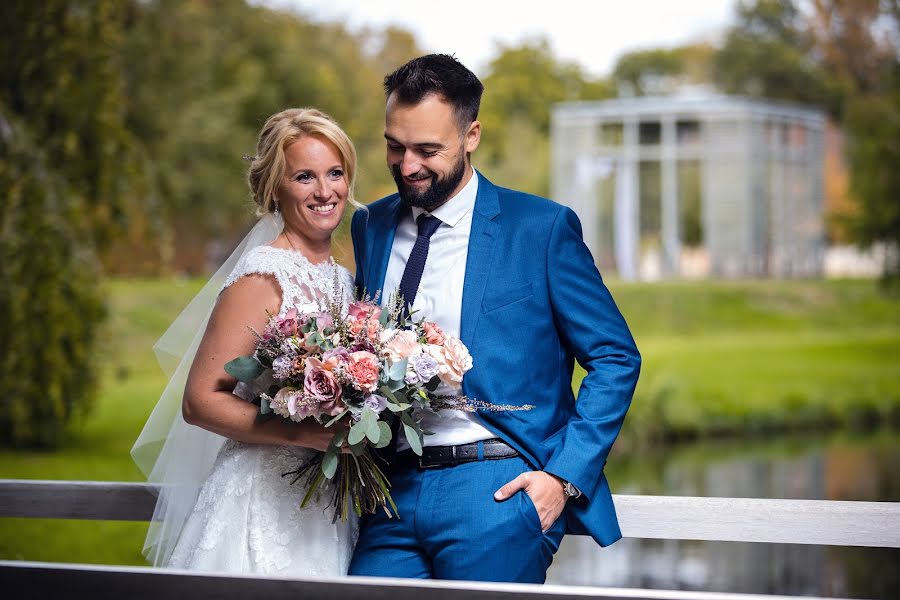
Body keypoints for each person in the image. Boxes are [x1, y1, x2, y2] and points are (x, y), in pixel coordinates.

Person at [349, 54, 641, 583]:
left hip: (498, 489)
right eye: (395, 145)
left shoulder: (541, 228)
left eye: (427, 149)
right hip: (387, 492)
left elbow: (615, 356)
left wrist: (561, 477)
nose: (407, 164)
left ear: (471, 135)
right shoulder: (369, 224)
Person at [131, 108, 359, 575]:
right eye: (304, 176)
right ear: (275, 187)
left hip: (325, 505)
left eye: (335, 173)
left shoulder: (344, 281)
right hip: (261, 501)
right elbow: (199, 402)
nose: (324, 191)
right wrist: (305, 433)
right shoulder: (264, 275)